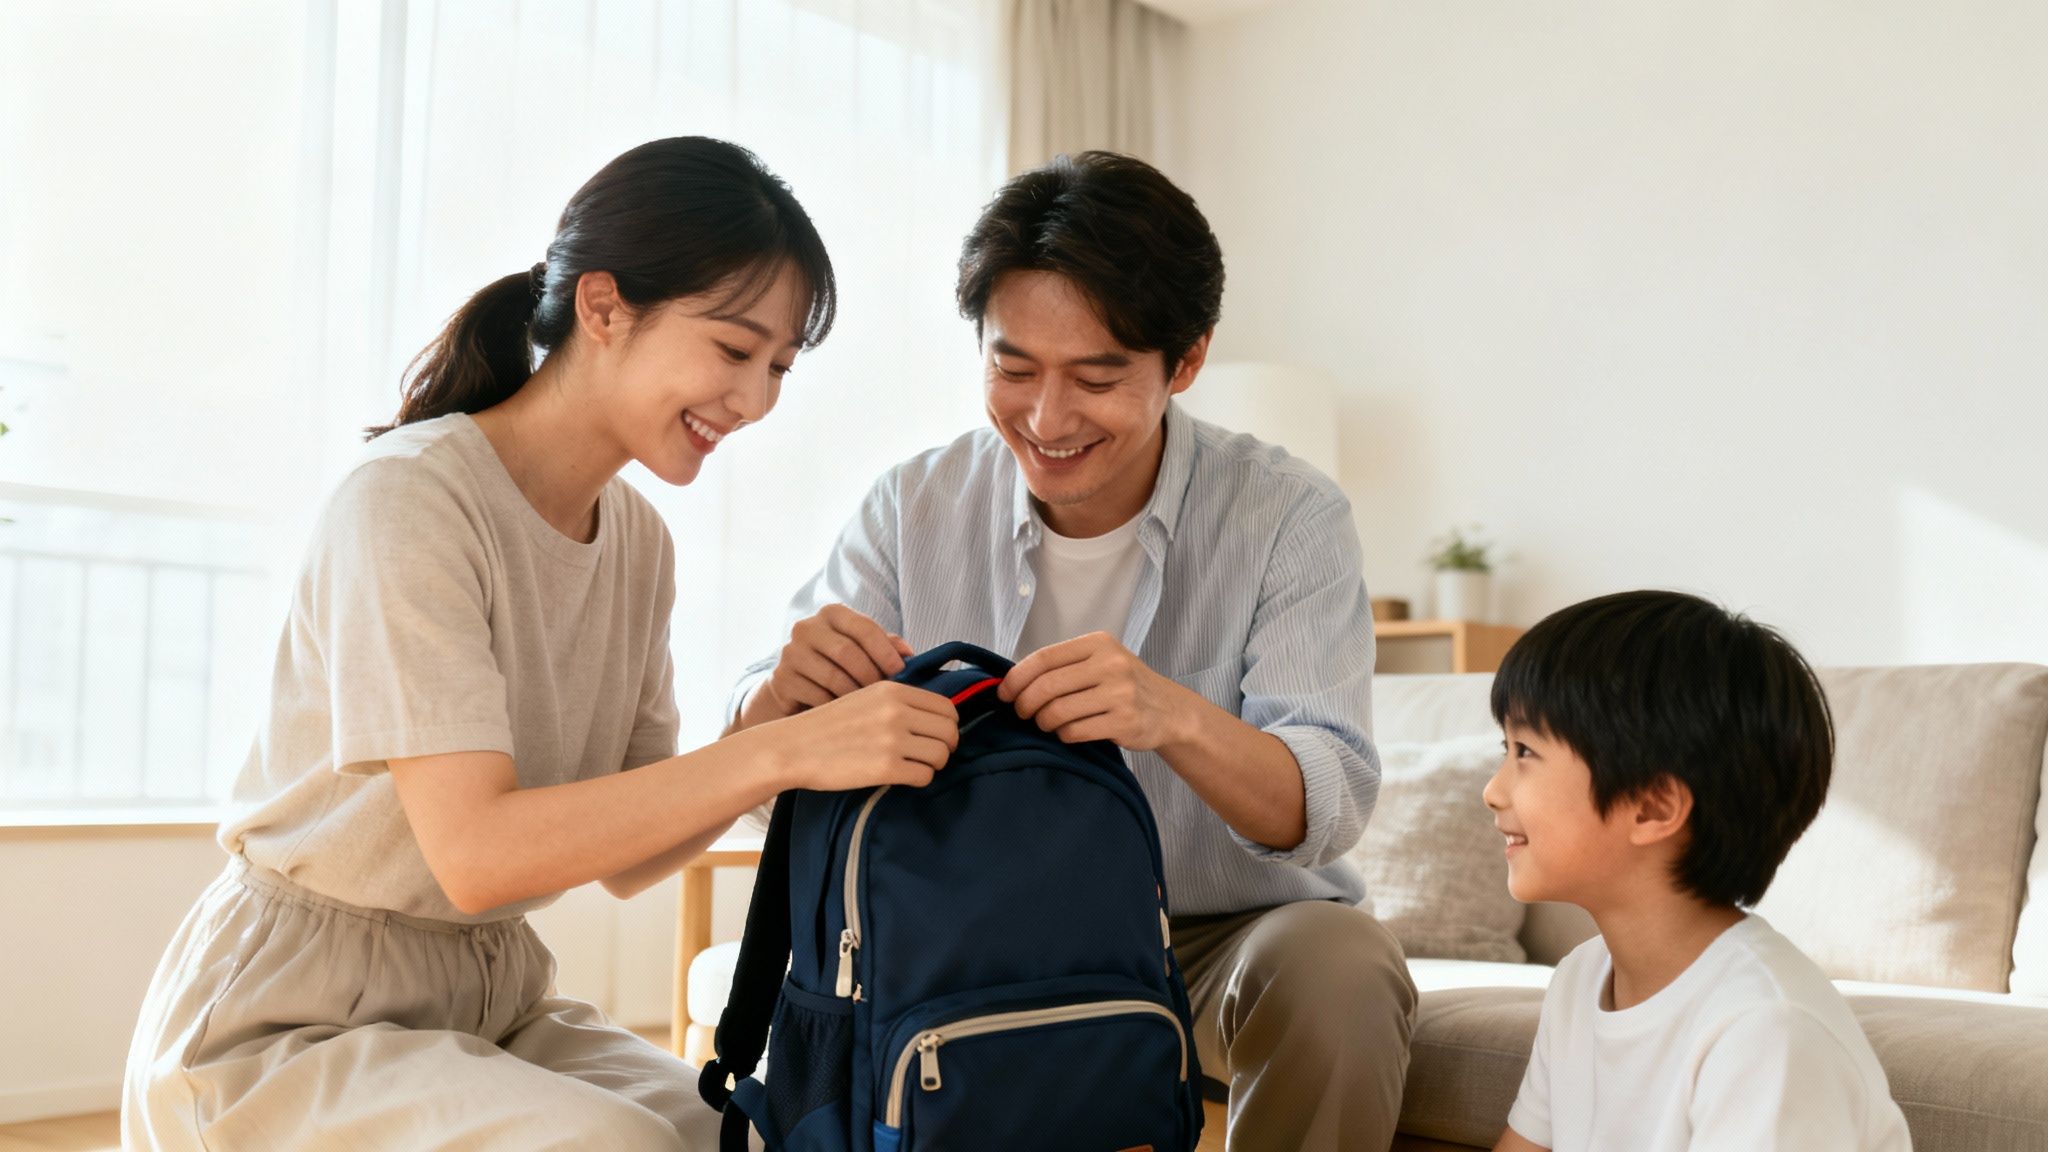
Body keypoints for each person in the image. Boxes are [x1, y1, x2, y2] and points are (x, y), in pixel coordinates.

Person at [123, 137, 960, 1152]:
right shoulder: (412, 500)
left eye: (779, 367)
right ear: (603, 309)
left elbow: (630, 858)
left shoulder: (638, 541)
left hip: (493, 994)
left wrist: (769, 717)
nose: (755, 401)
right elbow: (476, 855)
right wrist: (777, 756)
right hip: (287, 1022)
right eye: (735, 351)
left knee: (740, 1136)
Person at [726, 151, 1419, 1152]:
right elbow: (764, 795)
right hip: (968, 928)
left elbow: (1328, 802)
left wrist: (1170, 716)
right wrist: (772, 708)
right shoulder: (911, 507)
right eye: (1012, 369)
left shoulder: (1287, 515)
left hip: (1216, 932)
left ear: (1184, 363)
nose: (1046, 421)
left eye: (1096, 378)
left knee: (1340, 968)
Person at [1484, 591, 1911, 1151]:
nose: (1492, 791)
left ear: (1653, 808)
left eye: (1524, 752)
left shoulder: (1765, 1029)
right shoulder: (1579, 982)